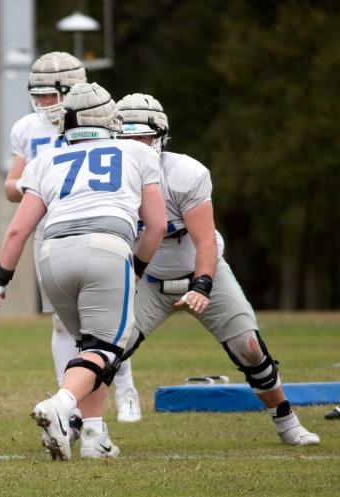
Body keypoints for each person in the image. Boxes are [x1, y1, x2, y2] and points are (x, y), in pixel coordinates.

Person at [115, 93, 320, 446]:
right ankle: (80, 425)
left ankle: (286, 421)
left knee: (249, 346)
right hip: (146, 278)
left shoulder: (184, 173)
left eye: (142, 137)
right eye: (125, 138)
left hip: (200, 271)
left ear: (160, 136)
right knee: (107, 350)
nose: (134, 146)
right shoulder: (109, 178)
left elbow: (205, 241)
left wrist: (203, 284)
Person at [0, 83, 167, 461]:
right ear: (110, 120)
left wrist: (0, 279)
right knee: (105, 349)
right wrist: (136, 268)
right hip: (106, 247)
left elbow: (18, 229)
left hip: (52, 255)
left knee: (89, 348)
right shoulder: (136, 151)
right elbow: (157, 226)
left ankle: (94, 435)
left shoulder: (44, 160)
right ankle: (62, 405)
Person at [5, 51, 142, 425]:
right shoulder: (27, 129)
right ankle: (71, 400)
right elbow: (9, 186)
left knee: (115, 319)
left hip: (103, 225)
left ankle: (126, 387)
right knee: (65, 324)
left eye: (52, 95)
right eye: (39, 95)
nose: (44, 103)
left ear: (72, 89)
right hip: (52, 229)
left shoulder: (102, 117)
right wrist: (43, 186)